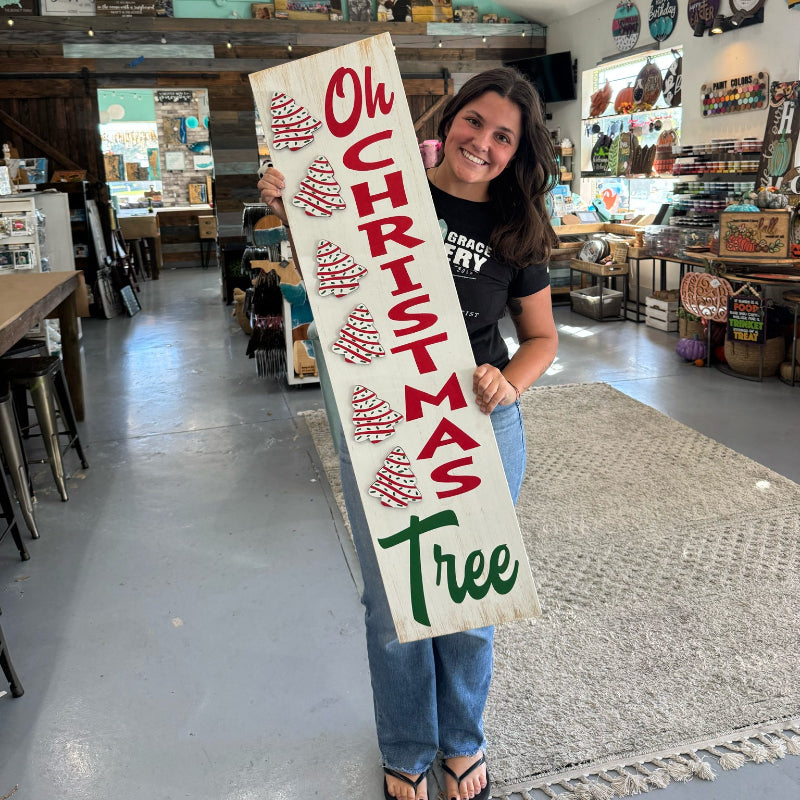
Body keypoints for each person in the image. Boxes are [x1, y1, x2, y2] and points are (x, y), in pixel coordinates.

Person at [258, 67, 559, 800]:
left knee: (469, 597)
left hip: (479, 429)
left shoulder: (517, 230)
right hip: (383, 426)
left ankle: (461, 744)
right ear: (448, 119)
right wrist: (293, 205)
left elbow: (543, 338)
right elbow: (333, 279)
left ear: (517, 151)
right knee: (394, 600)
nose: (481, 143)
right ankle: (405, 747)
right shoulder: (390, 192)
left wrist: (507, 382)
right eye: (473, 122)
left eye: (502, 136)